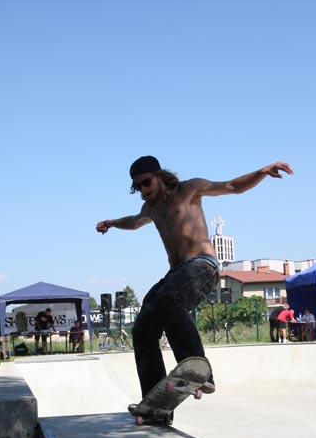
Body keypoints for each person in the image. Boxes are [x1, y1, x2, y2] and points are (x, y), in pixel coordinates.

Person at [96, 155, 294, 410]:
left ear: (158, 176)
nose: (143, 191)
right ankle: (154, 402)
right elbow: (134, 222)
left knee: (168, 298)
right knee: (142, 327)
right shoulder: (151, 209)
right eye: (137, 187)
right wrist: (111, 223)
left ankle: (198, 370)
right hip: (178, 273)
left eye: (146, 183)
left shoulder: (188, 189)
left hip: (202, 266)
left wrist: (263, 171)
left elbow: (232, 186)